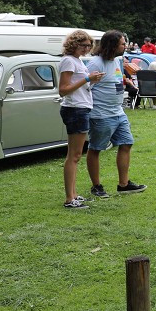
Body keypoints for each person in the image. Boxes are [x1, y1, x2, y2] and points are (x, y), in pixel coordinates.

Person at [86, 31, 147, 197]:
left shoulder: (117, 61)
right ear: (112, 45)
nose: (125, 46)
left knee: (126, 143)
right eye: (122, 44)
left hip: (118, 112)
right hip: (101, 114)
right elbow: (86, 88)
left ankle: (124, 184)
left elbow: (116, 81)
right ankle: (96, 186)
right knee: (96, 149)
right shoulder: (95, 63)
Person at [59, 31, 103, 209]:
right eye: (83, 45)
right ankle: (70, 198)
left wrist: (91, 81)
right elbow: (63, 89)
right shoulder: (69, 60)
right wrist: (87, 78)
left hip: (80, 107)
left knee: (75, 155)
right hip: (75, 109)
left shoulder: (76, 60)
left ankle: (74, 194)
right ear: (74, 44)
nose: (87, 49)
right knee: (74, 156)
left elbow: (77, 86)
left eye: (88, 46)